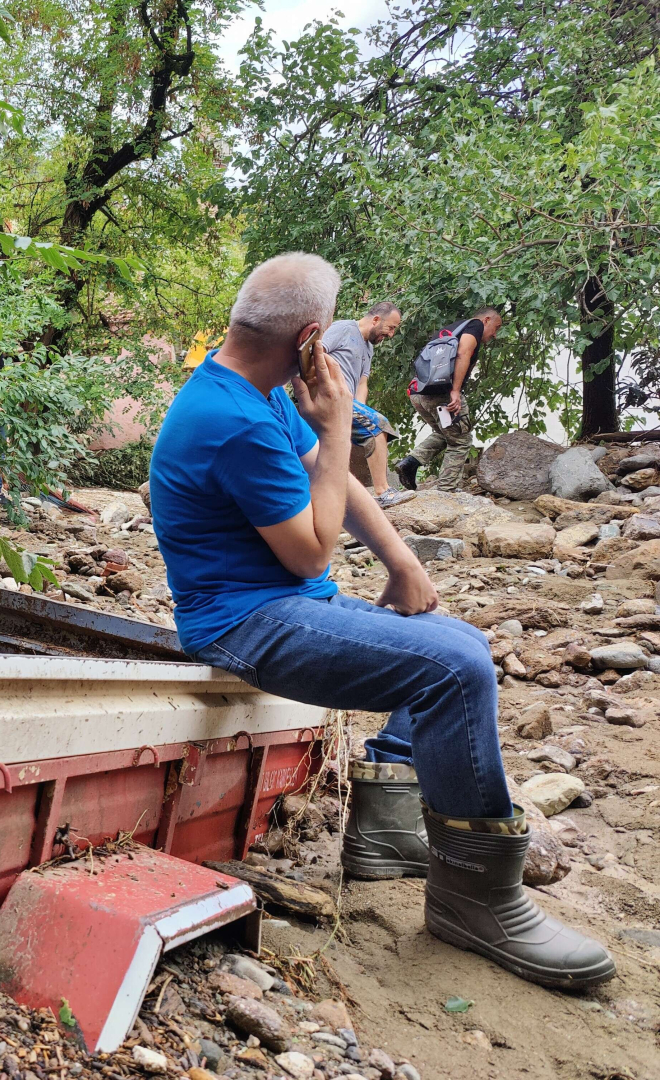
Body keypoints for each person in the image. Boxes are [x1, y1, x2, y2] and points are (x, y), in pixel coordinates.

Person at [148, 254, 613, 989]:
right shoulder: (228, 418)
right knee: (450, 669)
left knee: (459, 639)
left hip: (291, 605)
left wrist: (402, 563)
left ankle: (386, 830)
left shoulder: (253, 384)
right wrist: (338, 431)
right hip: (244, 622)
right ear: (307, 336)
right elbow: (307, 553)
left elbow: (334, 493)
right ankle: (476, 900)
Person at [395, 308, 503, 492]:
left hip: (419, 393)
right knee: (460, 441)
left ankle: (410, 463)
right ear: (486, 320)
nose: (495, 334)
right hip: (442, 394)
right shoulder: (474, 326)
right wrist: (455, 391)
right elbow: (463, 353)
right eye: (496, 327)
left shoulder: (451, 330)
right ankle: (447, 490)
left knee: (444, 434)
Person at [321, 302, 404, 506]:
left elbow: (362, 383)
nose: (391, 335)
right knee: (379, 424)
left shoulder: (368, 348)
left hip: (346, 403)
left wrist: (360, 411)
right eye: (391, 328)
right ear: (376, 319)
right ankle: (383, 492)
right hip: (327, 398)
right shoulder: (343, 329)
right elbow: (315, 352)